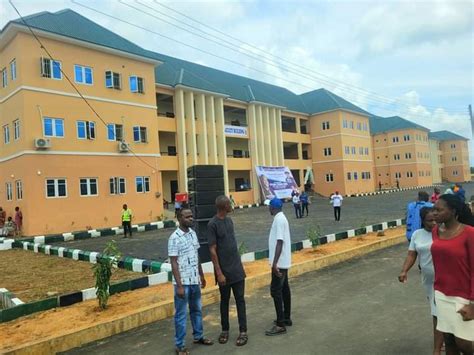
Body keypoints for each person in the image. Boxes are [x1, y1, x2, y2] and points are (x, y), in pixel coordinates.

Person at [431, 194, 474, 354]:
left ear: (453, 211)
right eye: (434, 209)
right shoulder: (436, 231)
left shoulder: (469, 233)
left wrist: (472, 303)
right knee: (449, 341)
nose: (434, 213)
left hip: (463, 296)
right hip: (442, 294)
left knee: (464, 344)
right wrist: (436, 293)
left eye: (439, 210)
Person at [398, 207, 443, 355]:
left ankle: (437, 349)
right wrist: (404, 270)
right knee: (438, 312)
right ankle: (444, 341)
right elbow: (412, 255)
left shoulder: (444, 233)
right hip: (429, 281)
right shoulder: (417, 235)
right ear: (423, 221)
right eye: (430, 220)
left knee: (437, 313)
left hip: (444, 280)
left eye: (435, 219)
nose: (434, 223)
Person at [168, 208, 214, 354]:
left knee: (197, 310)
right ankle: (180, 345)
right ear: (179, 218)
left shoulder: (193, 234)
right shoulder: (174, 238)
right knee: (181, 315)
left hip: (195, 280)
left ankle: (198, 336)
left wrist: (201, 275)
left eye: (191, 216)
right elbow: (174, 262)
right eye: (187, 217)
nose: (191, 219)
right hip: (183, 283)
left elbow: (197, 255)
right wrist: (179, 286)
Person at [207, 196, 248, 347]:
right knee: (225, 301)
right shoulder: (212, 224)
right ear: (224, 206)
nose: (232, 205)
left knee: (240, 300)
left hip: (237, 269)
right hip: (224, 271)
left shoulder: (229, 221)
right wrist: (219, 273)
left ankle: (243, 331)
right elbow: (212, 250)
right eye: (230, 204)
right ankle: (225, 330)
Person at [265, 197, 292, 336]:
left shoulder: (279, 220)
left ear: (273, 207)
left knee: (276, 291)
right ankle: (286, 318)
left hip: (279, 263)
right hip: (283, 261)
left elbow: (279, 242)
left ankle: (281, 324)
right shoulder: (281, 217)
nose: (268, 208)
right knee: (284, 289)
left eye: (269, 206)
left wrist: (274, 263)